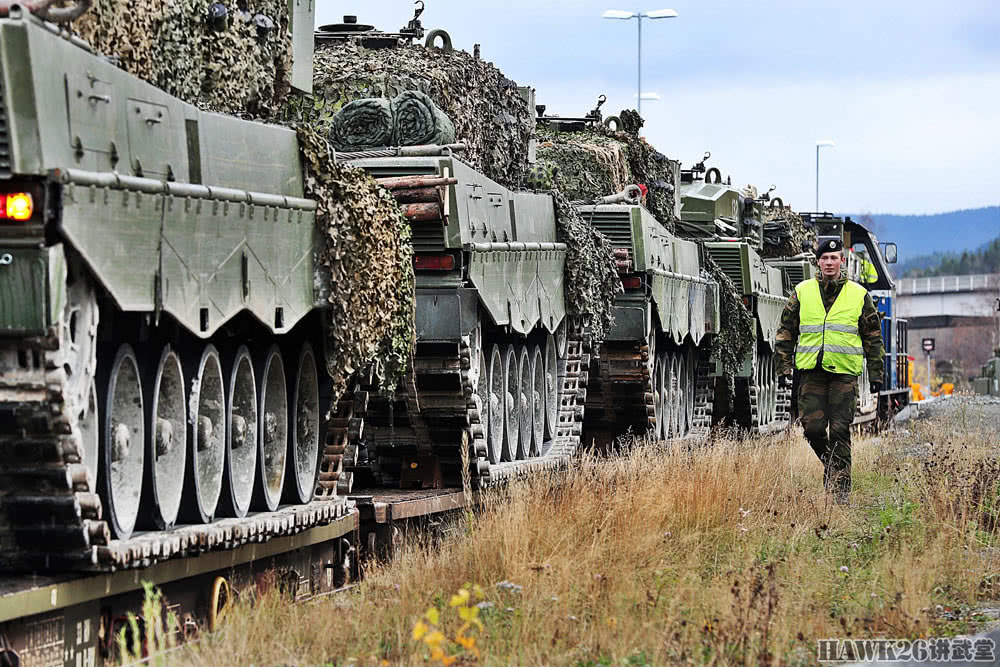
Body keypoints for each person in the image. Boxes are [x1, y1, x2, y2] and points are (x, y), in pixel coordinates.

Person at [775, 239, 885, 503]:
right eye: (824, 259)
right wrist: (783, 365)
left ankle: (840, 493)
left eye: (834, 258)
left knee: (839, 431)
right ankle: (833, 466)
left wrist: (876, 374)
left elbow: (873, 337)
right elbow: (786, 330)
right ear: (818, 262)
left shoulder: (859, 295)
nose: (829, 263)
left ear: (841, 261)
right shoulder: (803, 292)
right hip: (811, 371)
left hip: (844, 374)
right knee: (812, 428)